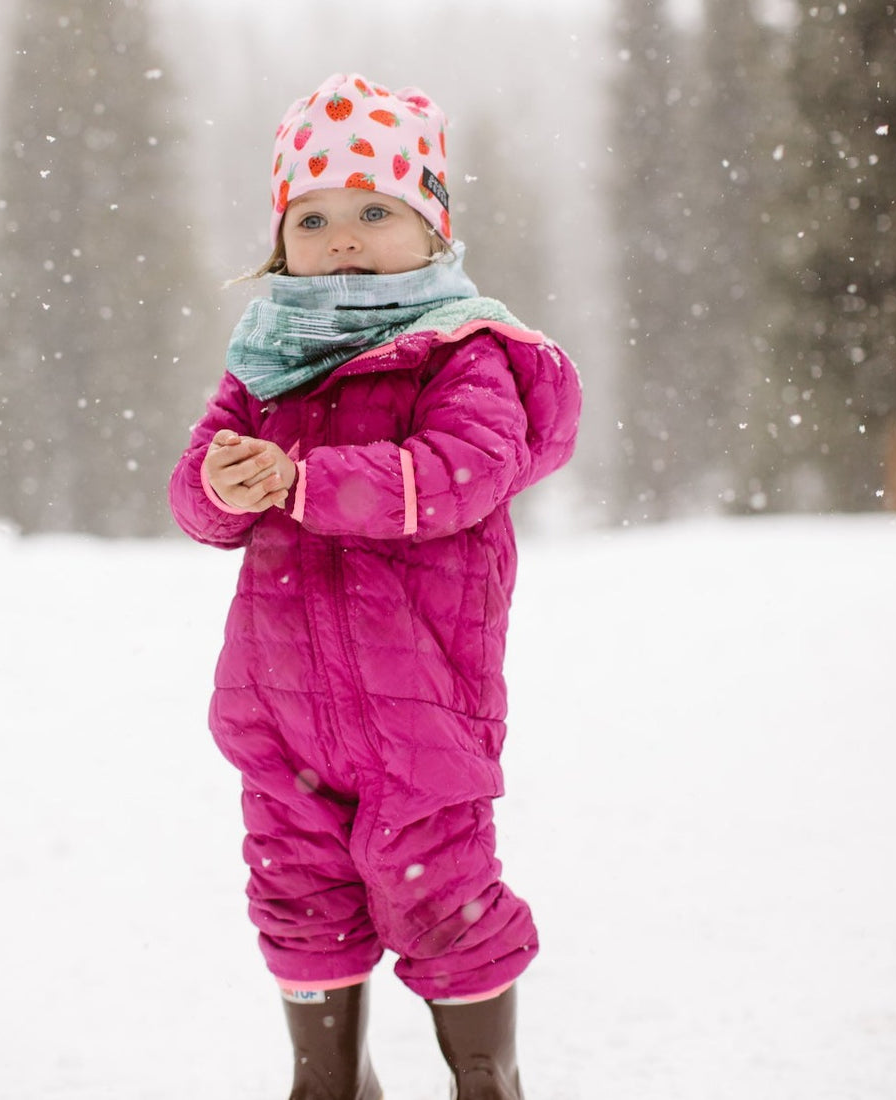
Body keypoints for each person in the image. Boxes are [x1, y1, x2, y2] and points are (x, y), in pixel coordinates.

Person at [169, 71, 581, 1100]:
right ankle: (327, 1079)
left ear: (430, 226)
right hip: (279, 710)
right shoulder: (265, 363)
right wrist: (219, 480)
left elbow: (461, 473)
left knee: (443, 896)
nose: (342, 234)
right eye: (312, 216)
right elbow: (199, 504)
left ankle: (485, 1076)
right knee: (299, 897)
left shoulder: (460, 349)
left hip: (421, 703)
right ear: (279, 243)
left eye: (372, 209)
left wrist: (306, 482)